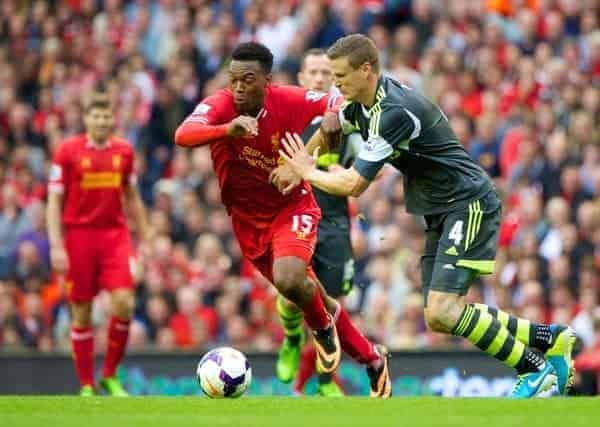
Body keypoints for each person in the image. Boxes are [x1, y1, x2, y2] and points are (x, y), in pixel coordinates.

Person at [277, 34, 576, 399]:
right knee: (438, 315)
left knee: (447, 311)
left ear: (366, 70)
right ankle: (552, 339)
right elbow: (330, 125)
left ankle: (533, 368)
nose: (336, 84)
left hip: (467, 203)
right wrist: (299, 162)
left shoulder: (393, 113)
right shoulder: (363, 103)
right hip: (440, 209)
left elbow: (354, 184)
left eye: (341, 76)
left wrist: (306, 172)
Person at [174, 42, 390, 398]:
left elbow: (332, 100)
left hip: (294, 208)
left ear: (266, 81)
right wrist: (227, 129)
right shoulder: (219, 105)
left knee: (292, 280)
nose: (239, 88)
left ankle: (320, 329)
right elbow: (183, 135)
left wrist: (334, 112)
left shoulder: (287, 99)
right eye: (234, 80)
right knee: (312, 293)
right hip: (247, 222)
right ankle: (373, 360)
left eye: (248, 80)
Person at [47, 91, 152, 396]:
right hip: (78, 236)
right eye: (96, 115)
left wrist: (145, 237)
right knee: (82, 311)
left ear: (113, 119)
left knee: (124, 303)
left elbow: (132, 196)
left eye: (107, 116)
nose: (102, 121)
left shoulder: (124, 151)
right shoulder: (67, 152)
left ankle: (108, 374)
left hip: (114, 235)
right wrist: (56, 245)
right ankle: (86, 384)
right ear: (86, 118)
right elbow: (54, 201)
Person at [274, 49, 362, 397]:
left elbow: (371, 166)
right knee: (295, 295)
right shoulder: (288, 121)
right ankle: (292, 339)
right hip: (296, 220)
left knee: (331, 305)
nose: (320, 78)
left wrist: (353, 174)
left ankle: (326, 382)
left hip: (335, 222)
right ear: (301, 78)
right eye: (313, 72)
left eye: (327, 72)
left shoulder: (346, 118)